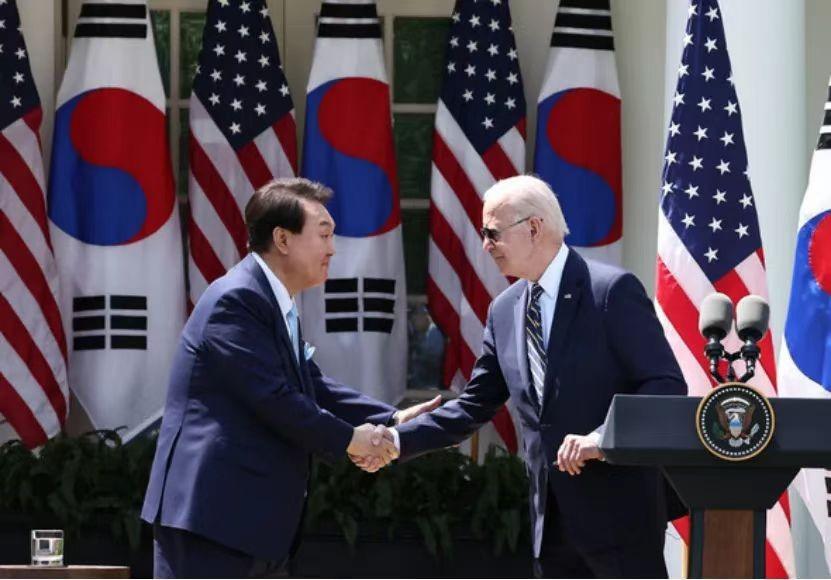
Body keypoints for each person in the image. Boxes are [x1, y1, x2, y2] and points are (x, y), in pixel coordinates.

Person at [387, 175, 686, 578]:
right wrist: (396, 440)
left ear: (533, 227)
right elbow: (475, 404)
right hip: (552, 525)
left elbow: (665, 384)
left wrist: (603, 439)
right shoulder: (504, 311)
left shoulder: (610, 292)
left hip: (621, 519)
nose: (486, 245)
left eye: (492, 232)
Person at [141, 177, 438, 578]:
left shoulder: (271, 300)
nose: (332, 249)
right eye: (324, 234)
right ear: (282, 239)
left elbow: (314, 386)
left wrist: (392, 419)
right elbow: (274, 397)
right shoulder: (236, 299)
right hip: (213, 521)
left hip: (251, 525)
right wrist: (351, 439)